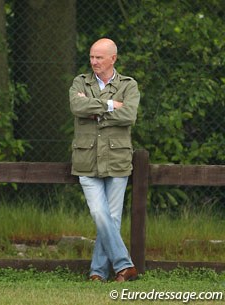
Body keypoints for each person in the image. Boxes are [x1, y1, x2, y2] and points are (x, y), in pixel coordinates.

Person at [69, 38, 140, 282]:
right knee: (100, 214)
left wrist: (96, 114)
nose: (94, 62)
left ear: (113, 59)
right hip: (86, 161)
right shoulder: (80, 82)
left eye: (99, 57)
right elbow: (77, 107)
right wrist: (110, 105)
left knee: (112, 218)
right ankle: (125, 265)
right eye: (91, 57)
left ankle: (98, 273)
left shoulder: (129, 85)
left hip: (117, 161)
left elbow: (129, 115)